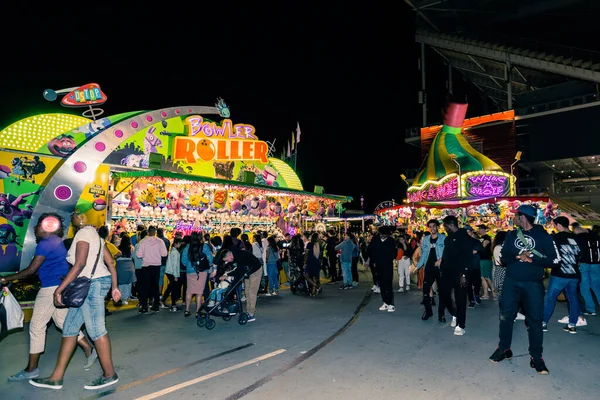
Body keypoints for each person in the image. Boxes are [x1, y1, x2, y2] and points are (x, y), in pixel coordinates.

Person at [30, 211, 121, 390]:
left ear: (80, 219)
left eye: (74, 215)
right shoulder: (97, 236)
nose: (72, 217)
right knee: (70, 328)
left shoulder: (83, 233)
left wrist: (60, 288)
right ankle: (56, 377)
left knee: (96, 330)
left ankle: (110, 375)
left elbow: (79, 264)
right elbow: (110, 263)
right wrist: (115, 287)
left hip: (90, 284)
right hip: (95, 282)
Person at [3, 213, 95, 382]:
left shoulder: (46, 243)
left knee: (37, 327)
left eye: (37, 225)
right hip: (59, 286)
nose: (35, 228)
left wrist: (5, 279)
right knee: (63, 323)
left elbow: (31, 270)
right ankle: (89, 349)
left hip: (51, 288)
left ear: (46, 227)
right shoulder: (55, 242)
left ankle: (31, 369)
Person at [489, 205, 560, 375]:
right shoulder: (512, 235)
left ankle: (536, 357)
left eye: (516, 215)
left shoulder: (543, 237)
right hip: (511, 282)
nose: (513, 218)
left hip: (533, 284)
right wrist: (516, 256)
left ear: (523, 217)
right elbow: (503, 258)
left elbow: (555, 260)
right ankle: (504, 349)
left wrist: (532, 259)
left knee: (535, 321)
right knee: (505, 317)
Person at [542, 216, 581, 333]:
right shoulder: (577, 238)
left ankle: (543, 323)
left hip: (559, 273)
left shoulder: (555, 238)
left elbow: (548, 253)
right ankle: (572, 324)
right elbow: (580, 256)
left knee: (550, 298)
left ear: (558, 225)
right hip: (574, 274)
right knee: (573, 298)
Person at [439, 216, 472, 335]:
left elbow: (467, 257)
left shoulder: (464, 237)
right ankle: (455, 314)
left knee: (460, 299)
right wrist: (442, 268)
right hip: (447, 272)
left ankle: (461, 324)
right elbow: (446, 255)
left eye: (445, 226)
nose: (444, 228)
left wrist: (464, 274)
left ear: (451, 225)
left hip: (460, 273)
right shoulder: (448, 239)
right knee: (444, 294)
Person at [416, 220, 446, 320]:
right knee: (425, 290)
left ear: (437, 227)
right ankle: (428, 311)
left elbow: (447, 252)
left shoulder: (443, 238)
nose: (432, 228)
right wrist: (418, 266)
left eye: (434, 226)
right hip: (429, 267)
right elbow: (424, 253)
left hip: (440, 268)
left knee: (442, 292)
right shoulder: (426, 239)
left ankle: (441, 314)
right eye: (430, 226)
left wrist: (441, 260)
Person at [219, 247, 262, 318]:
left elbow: (239, 272)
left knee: (252, 292)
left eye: (227, 260)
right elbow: (239, 271)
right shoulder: (234, 254)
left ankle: (251, 313)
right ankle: (248, 310)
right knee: (247, 292)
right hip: (248, 271)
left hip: (255, 270)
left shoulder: (239, 256)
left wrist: (228, 275)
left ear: (229, 255)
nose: (228, 262)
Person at [135, 226, 168, 313]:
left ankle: (145, 306)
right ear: (155, 232)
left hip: (146, 266)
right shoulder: (160, 242)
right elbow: (164, 254)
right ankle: (156, 305)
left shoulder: (143, 242)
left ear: (148, 232)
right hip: (156, 266)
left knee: (145, 287)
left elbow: (138, 255)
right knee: (155, 286)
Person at [572, 223, 600, 316]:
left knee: (584, 287)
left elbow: (576, 251)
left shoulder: (579, 238)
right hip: (596, 264)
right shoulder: (596, 237)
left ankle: (590, 309)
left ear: (576, 230)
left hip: (584, 264)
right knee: (596, 286)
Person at [369, 226, 398, 312]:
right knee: (381, 284)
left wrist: (387, 259)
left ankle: (391, 304)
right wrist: (373, 261)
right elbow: (371, 251)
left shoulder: (391, 241)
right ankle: (385, 302)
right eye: (381, 234)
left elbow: (394, 253)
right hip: (378, 265)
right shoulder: (375, 240)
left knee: (388, 284)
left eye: (385, 235)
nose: (383, 236)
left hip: (388, 265)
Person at [305, 233, 322, 297]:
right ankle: (313, 292)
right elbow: (320, 254)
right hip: (317, 262)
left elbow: (306, 253)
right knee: (314, 276)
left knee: (306, 275)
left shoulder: (309, 244)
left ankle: (316, 286)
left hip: (310, 261)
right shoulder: (319, 245)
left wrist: (304, 261)